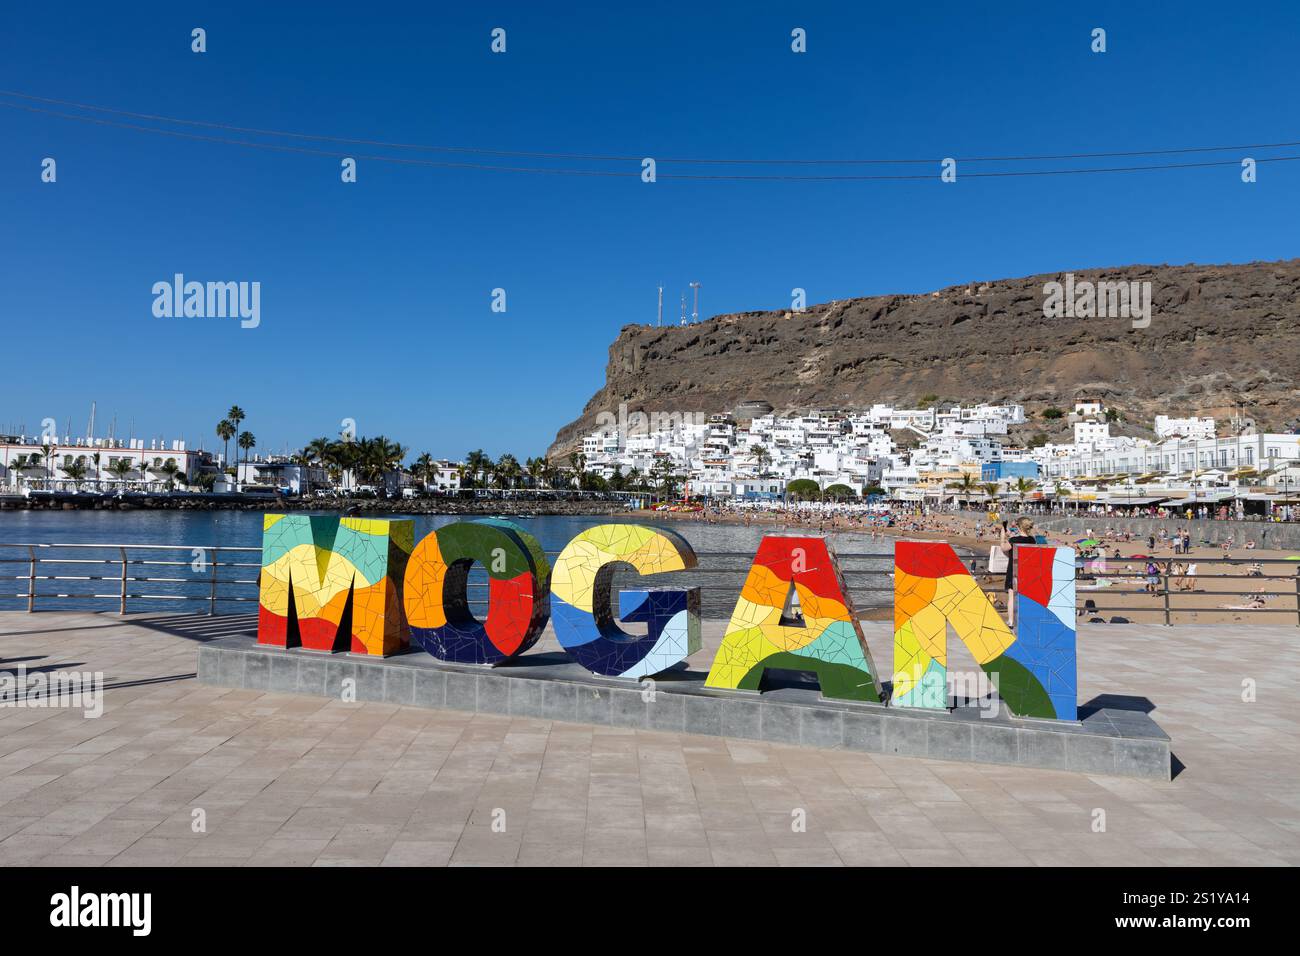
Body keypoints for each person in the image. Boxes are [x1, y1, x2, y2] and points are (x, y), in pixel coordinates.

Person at [1001, 516, 1037, 625]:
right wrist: (1012, 537)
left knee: (1012, 596)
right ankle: (1024, 620)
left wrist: (1003, 536)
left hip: (1014, 570)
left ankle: (1011, 621)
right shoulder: (1032, 540)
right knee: (1024, 596)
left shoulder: (1014, 540)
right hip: (1027, 570)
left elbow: (1003, 548)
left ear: (1018, 527)